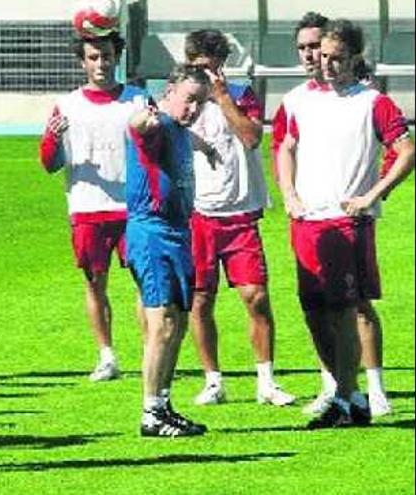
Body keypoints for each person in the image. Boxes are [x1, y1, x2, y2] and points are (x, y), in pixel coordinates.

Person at [276, 19, 414, 428]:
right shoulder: (297, 99)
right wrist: (289, 195)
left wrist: (372, 196)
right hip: (306, 220)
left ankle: (352, 395)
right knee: (314, 310)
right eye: (323, 57)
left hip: (345, 222)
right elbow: (285, 146)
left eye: (337, 58)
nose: (328, 64)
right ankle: (344, 394)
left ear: (354, 58)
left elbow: (405, 152)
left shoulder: (372, 102)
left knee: (345, 309)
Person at [182, 29, 295, 406]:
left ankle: (266, 381)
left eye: (211, 68)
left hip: (240, 215)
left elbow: (250, 138)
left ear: (222, 65)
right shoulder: (180, 95)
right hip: (199, 213)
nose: (205, 75)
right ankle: (213, 380)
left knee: (256, 297)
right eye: (198, 67)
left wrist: (222, 97)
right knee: (200, 300)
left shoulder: (242, 93)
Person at [39, 31, 151, 382]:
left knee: (145, 283)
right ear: (82, 61)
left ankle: (152, 351)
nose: (101, 63)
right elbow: (49, 163)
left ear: (117, 57)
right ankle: (107, 356)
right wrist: (52, 140)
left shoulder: (138, 100)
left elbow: (157, 150)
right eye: (93, 57)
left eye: (106, 56)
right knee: (94, 284)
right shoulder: (67, 104)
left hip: (134, 207)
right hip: (88, 207)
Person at [126, 65, 209, 437]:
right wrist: (145, 117)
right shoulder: (158, 126)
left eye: (201, 103)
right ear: (170, 90)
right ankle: (151, 413)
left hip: (177, 233)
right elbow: (139, 127)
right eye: (190, 99)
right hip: (153, 233)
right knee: (163, 323)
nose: (194, 109)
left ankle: (162, 402)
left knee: (175, 323)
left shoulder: (179, 131)